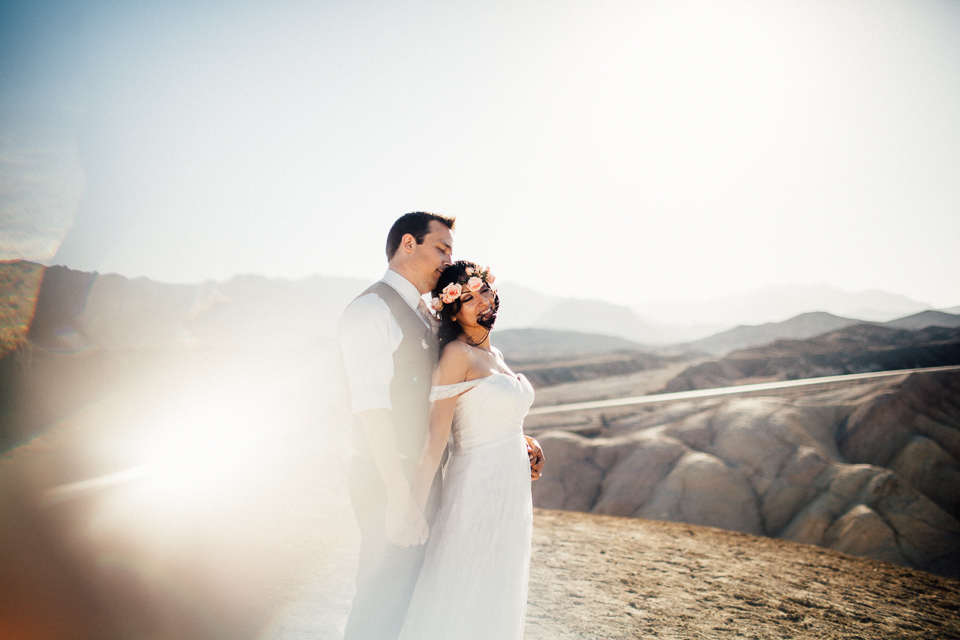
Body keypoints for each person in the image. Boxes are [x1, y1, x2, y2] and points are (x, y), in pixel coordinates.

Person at [338, 215, 544, 640]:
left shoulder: (424, 316)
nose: (448, 259)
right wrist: (399, 496)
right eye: (442, 249)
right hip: (387, 476)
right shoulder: (369, 311)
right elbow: (372, 409)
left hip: (427, 477)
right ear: (408, 244)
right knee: (381, 595)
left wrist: (510, 436)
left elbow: (465, 399)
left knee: (414, 594)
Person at [399, 260, 541, 640]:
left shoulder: (496, 356)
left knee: (498, 582)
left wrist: (527, 441)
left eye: (483, 290)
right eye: (467, 297)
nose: (481, 300)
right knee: (463, 583)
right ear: (451, 309)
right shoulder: (456, 356)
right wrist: (411, 505)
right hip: (477, 487)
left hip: (511, 490)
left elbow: (495, 411)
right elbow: (435, 441)